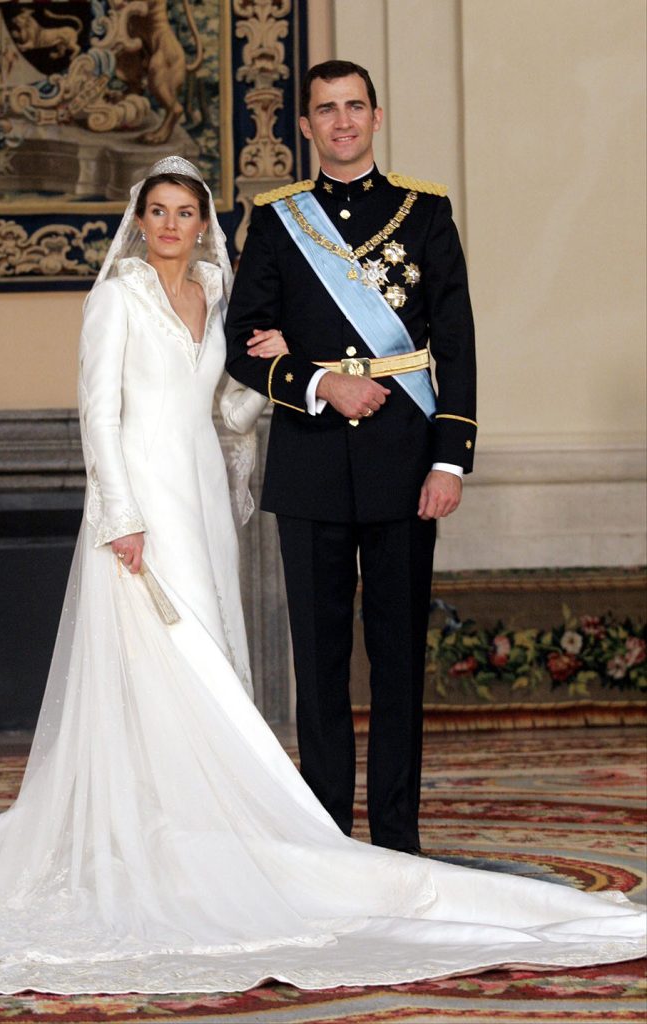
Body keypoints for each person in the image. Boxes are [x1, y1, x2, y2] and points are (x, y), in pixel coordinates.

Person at [0, 157, 643, 996]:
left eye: (185, 212)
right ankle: (157, 837)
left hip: (198, 491)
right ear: (140, 217)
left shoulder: (219, 296)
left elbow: (231, 405)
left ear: (204, 222)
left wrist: (287, 356)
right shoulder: (117, 295)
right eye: (157, 211)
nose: (171, 225)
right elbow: (99, 410)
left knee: (210, 654)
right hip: (141, 500)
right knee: (167, 662)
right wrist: (119, 515)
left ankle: (208, 831)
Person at [225, 60, 476, 853]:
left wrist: (451, 459)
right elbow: (242, 344)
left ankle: (398, 839)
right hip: (309, 462)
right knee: (321, 664)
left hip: (407, 460)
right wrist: (322, 381)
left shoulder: (424, 211)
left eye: (354, 108)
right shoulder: (275, 219)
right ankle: (330, 839)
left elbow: (457, 341)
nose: (340, 122)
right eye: (325, 111)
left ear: (376, 116)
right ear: (304, 126)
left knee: (399, 663)